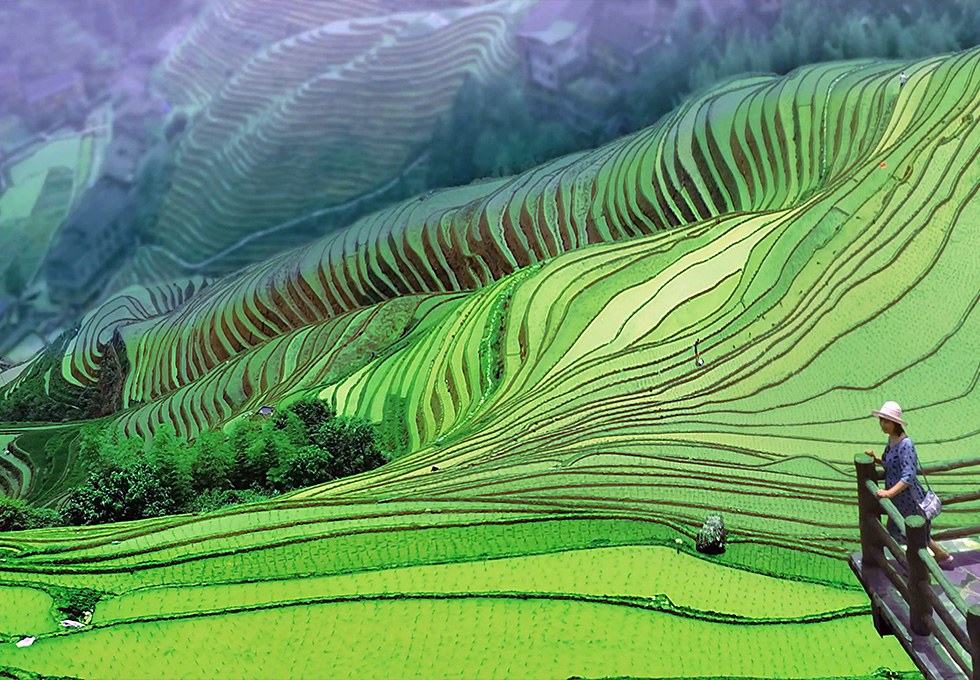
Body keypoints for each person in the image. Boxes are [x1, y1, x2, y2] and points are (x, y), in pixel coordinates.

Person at [865, 401, 954, 567]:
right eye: (881, 420)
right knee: (903, 533)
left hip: (909, 499)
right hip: (898, 500)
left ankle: (917, 567)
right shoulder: (891, 440)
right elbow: (891, 464)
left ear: (895, 423)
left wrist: (889, 493)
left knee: (915, 534)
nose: (882, 425)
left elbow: (909, 475)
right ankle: (933, 558)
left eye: (886, 421)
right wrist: (876, 458)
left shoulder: (906, 444)